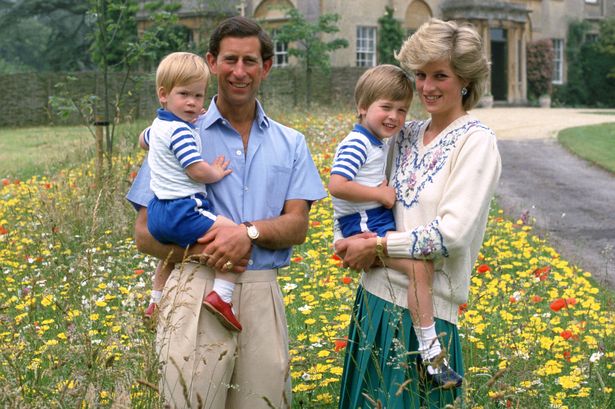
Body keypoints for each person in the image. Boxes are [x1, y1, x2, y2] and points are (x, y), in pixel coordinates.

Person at [126, 16, 326, 409]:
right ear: (211, 62)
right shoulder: (177, 131)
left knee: (263, 403)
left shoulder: (291, 142)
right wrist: (207, 253)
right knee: (189, 403)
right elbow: (144, 232)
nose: (239, 71)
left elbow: (297, 225)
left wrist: (246, 233)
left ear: (266, 67)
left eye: (250, 61)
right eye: (230, 59)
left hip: (262, 292)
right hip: (193, 287)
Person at [335, 18, 502, 408]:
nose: (426, 87)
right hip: (374, 300)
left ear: (464, 79)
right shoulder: (404, 134)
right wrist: (343, 237)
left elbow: (450, 235)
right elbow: (361, 190)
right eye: (420, 75)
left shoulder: (475, 142)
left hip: (429, 317)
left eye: (439, 75)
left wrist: (375, 245)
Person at [329, 64, 461, 386]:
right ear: (362, 107)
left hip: (373, 223)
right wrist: (381, 194)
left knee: (421, 270)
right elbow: (337, 185)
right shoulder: (357, 143)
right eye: (385, 107)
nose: (394, 117)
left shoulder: (377, 141)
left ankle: (429, 353)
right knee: (419, 269)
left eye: (402, 109)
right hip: (365, 226)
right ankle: (431, 356)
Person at [140, 51, 242, 332]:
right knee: (235, 236)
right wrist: (216, 172)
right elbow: (195, 169)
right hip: (184, 208)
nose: (192, 103)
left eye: (198, 96)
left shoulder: (159, 125)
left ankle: (155, 301)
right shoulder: (182, 133)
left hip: (158, 212)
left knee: (168, 258)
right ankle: (222, 296)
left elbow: (143, 139)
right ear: (163, 94)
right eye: (184, 94)